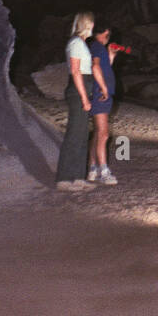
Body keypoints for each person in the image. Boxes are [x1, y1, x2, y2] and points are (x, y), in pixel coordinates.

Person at [55, 11, 106, 192]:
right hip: (79, 89)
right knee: (75, 135)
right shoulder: (76, 43)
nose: (93, 26)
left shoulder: (82, 43)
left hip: (84, 86)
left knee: (82, 135)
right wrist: (84, 97)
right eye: (91, 23)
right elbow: (76, 72)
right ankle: (64, 179)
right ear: (86, 24)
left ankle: (77, 177)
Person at [87, 19, 121, 185]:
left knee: (98, 133)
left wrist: (111, 55)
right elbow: (95, 67)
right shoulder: (98, 47)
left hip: (99, 93)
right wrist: (104, 88)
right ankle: (103, 171)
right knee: (104, 133)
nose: (108, 37)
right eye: (107, 34)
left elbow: (104, 67)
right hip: (101, 94)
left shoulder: (98, 48)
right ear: (102, 33)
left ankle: (92, 168)